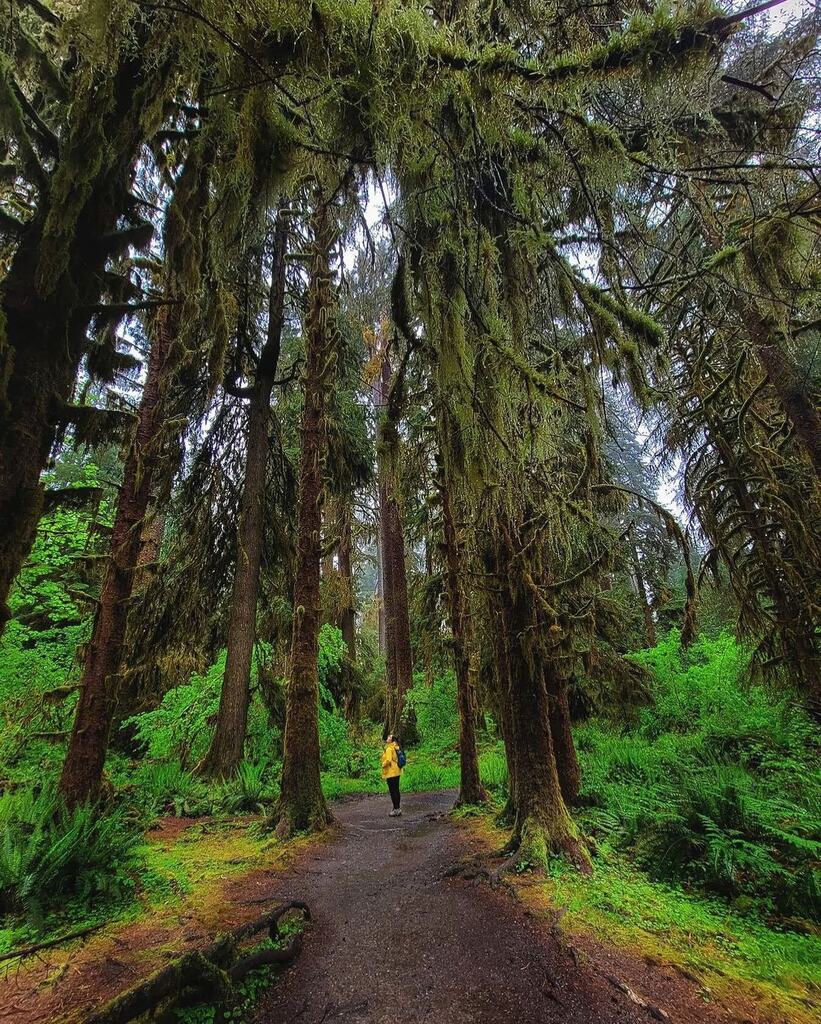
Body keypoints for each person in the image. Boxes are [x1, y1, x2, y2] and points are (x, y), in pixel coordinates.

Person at [381, 733, 403, 817]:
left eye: (389, 737)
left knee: (392, 791)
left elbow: (388, 760)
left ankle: (395, 809)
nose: (387, 737)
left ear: (391, 740)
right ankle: (398, 809)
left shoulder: (389, 748)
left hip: (391, 772)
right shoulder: (396, 747)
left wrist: (383, 764)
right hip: (397, 771)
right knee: (396, 790)